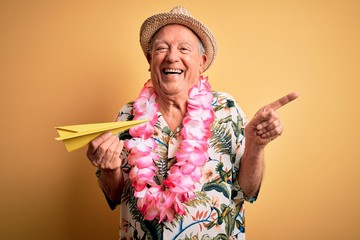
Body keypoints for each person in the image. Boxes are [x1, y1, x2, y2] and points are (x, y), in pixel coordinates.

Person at [86, 6, 298, 240]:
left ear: (201, 62)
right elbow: (115, 196)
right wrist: (109, 169)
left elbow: (248, 191)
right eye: (161, 48)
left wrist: (256, 146)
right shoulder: (127, 116)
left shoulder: (227, 109)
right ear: (150, 59)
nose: (171, 57)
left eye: (184, 48)